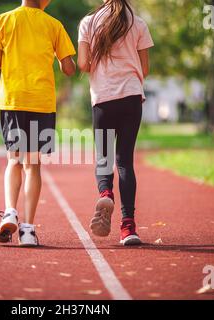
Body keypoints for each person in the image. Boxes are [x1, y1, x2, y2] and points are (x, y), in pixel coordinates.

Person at [0, 0, 76, 246]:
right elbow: (69, 68)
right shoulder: (54, 25)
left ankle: (9, 212)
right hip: (42, 103)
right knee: (33, 165)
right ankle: (27, 231)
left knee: (13, 160)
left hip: (13, 100)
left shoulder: (3, 20)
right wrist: (58, 58)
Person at [78, 0, 154, 245]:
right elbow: (145, 68)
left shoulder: (89, 23)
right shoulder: (138, 23)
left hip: (103, 97)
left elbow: (83, 64)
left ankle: (105, 193)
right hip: (131, 97)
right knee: (124, 162)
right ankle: (128, 227)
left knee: (104, 157)